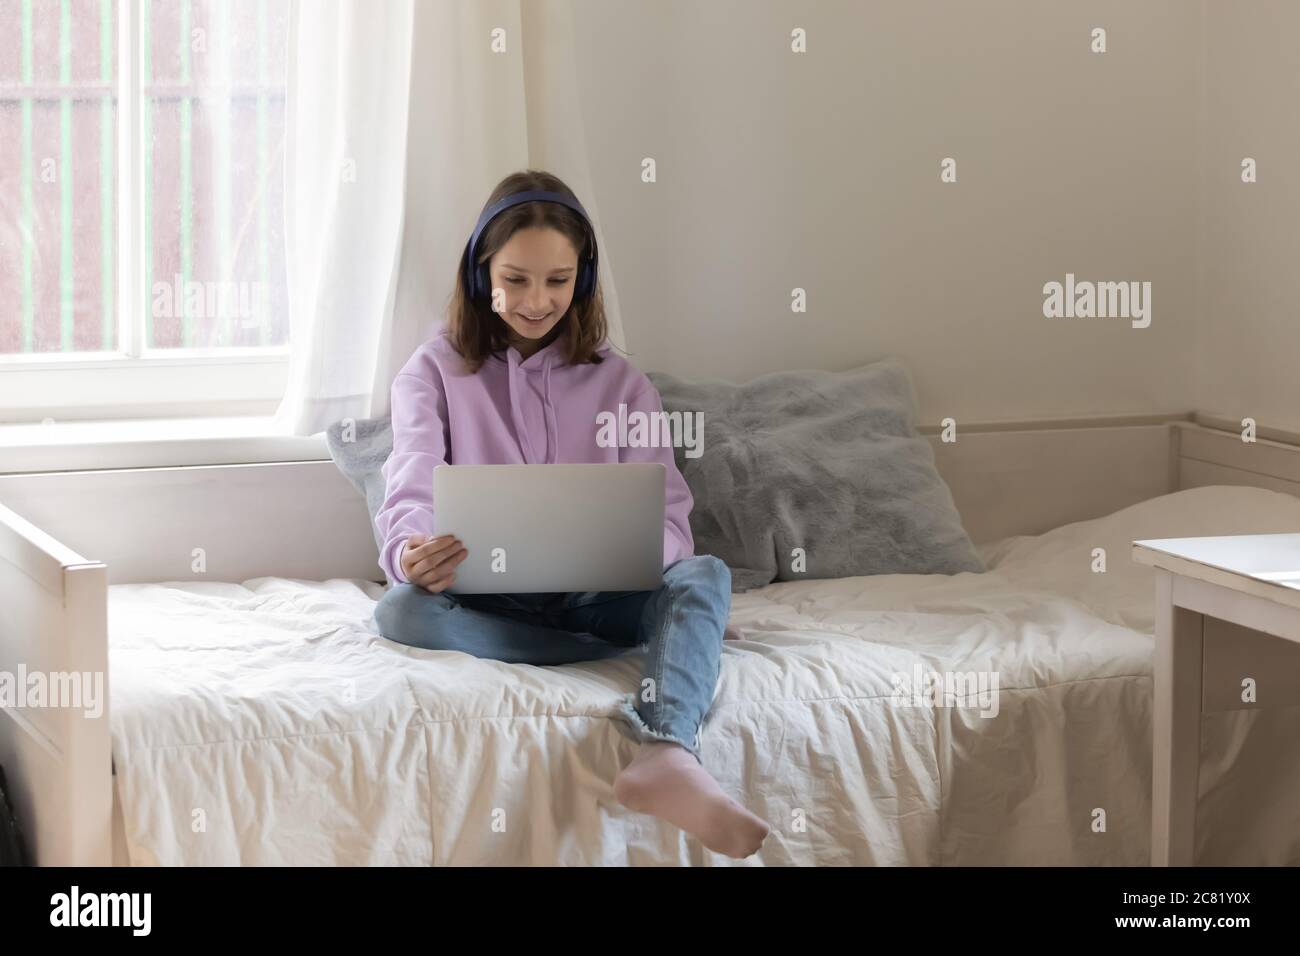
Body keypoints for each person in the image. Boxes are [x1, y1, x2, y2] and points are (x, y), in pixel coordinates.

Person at [373, 169, 769, 859]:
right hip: (490, 601)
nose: (536, 301)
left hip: (596, 595)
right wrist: (411, 551)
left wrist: (656, 563)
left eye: (558, 280)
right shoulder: (432, 371)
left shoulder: (623, 383)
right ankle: (660, 643)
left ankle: (666, 749)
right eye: (516, 279)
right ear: (480, 274)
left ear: (582, 280)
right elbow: (410, 484)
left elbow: (671, 514)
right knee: (400, 611)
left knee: (703, 575)